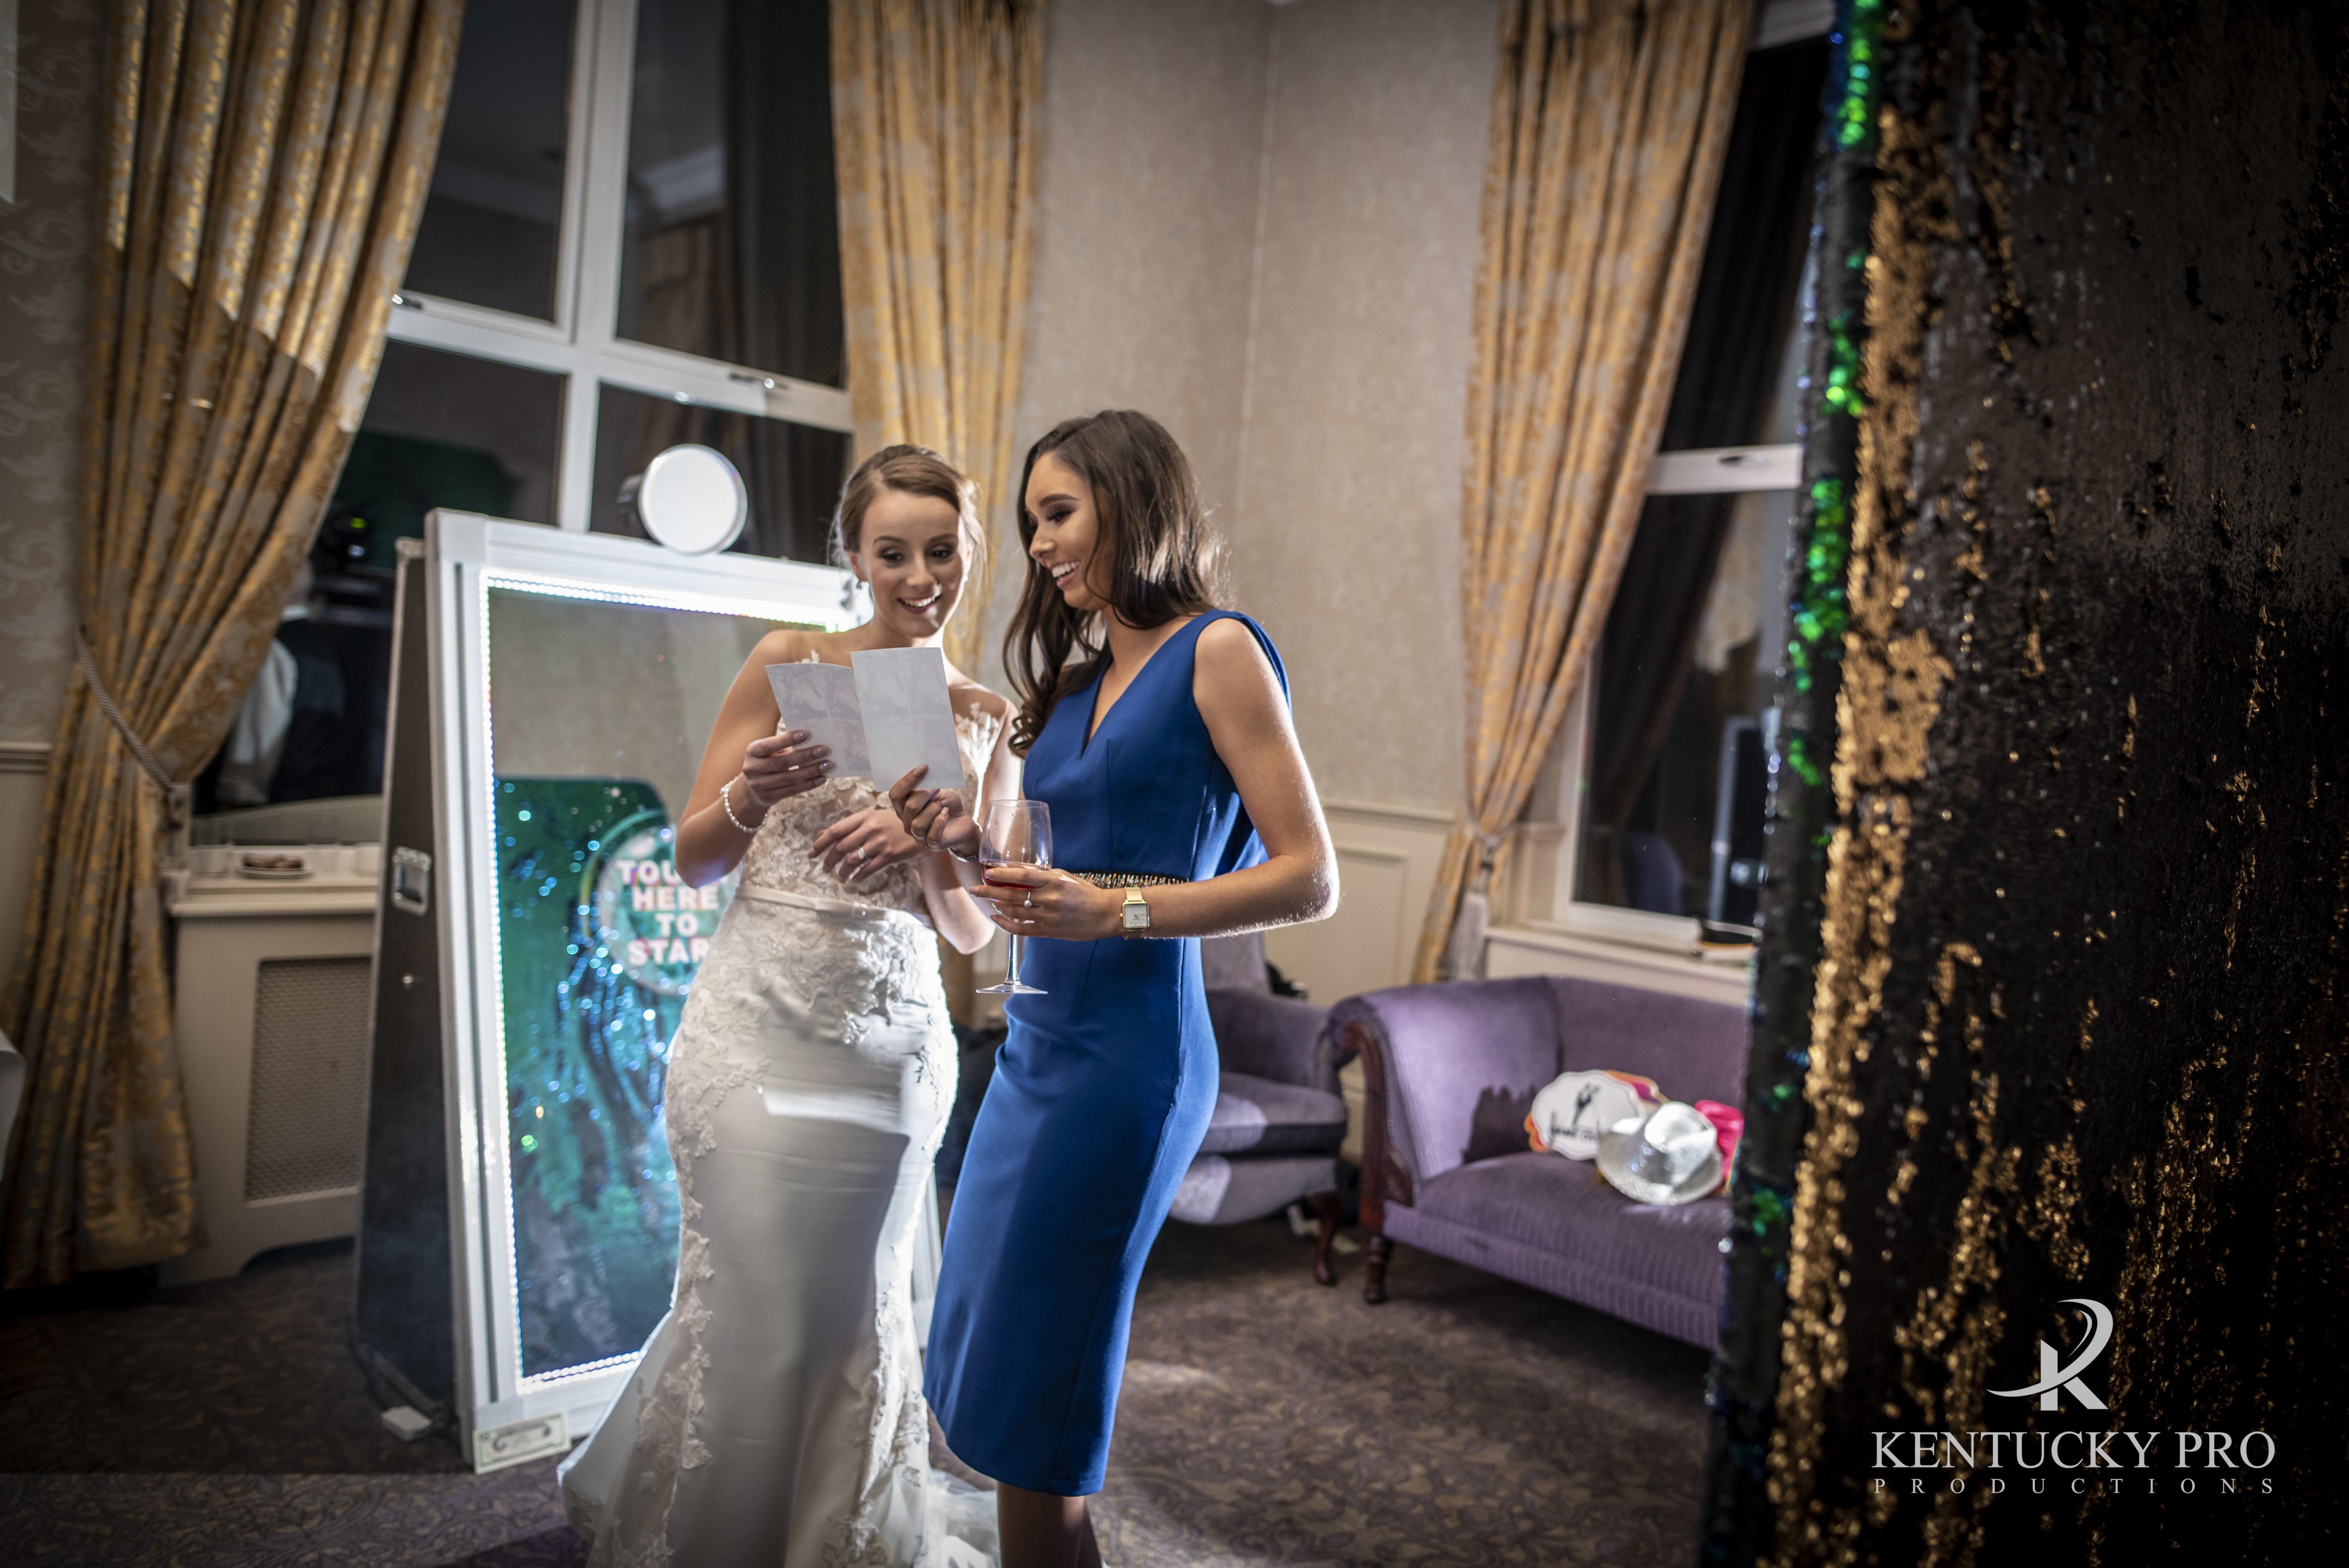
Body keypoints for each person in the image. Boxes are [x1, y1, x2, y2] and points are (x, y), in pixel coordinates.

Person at [891, 410, 1338, 1568]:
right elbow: (1028, 892)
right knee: (995, 1381)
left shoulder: (1220, 651)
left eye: (1058, 514)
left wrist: (1120, 909)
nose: (1038, 543)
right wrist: (964, 845)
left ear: (1132, 504)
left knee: (1042, 1407)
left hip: (1132, 1064)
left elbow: (1310, 877)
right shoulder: (1075, 682)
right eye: (1033, 521)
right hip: (1033, 1054)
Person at [559, 445, 1015, 1568]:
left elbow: (971, 934)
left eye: (941, 551)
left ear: (971, 553)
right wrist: (749, 794)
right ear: (854, 557)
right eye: (892, 553)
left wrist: (938, 840)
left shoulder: (983, 716)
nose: (919, 577)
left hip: (892, 1051)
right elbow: (694, 859)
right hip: (755, 1037)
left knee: (854, 1307)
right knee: (752, 1305)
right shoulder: (788, 660)